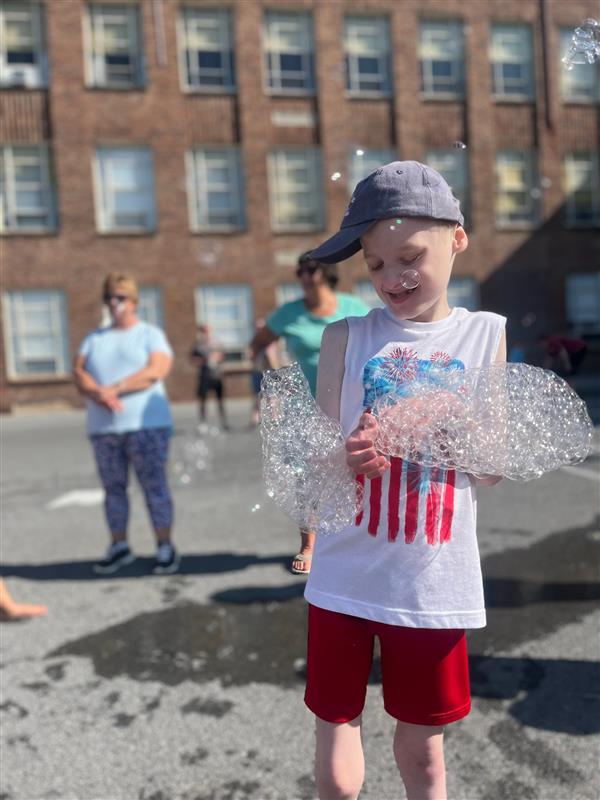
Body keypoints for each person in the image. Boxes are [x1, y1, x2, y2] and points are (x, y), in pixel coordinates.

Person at [302, 161, 507, 800]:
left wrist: (451, 432)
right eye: (376, 265)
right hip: (344, 573)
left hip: (430, 582)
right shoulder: (346, 336)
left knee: (424, 757)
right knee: (337, 746)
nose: (393, 278)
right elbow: (315, 460)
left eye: (410, 257)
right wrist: (347, 455)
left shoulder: (483, 335)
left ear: (458, 239)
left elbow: (493, 466)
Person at [250, 252, 370, 575]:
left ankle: (357, 537)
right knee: (307, 477)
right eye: (300, 270)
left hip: (348, 403)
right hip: (305, 407)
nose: (304, 275)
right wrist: (275, 383)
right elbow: (257, 345)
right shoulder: (289, 313)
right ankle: (309, 545)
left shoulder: (353, 308)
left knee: (353, 469)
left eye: (310, 268)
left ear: (326, 271)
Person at [73, 273, 179, 575]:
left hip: (146, 425)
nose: (114, 303)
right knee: (113, 488)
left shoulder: (149, 334)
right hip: (104, 428)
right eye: (109, 297)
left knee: (154, 487)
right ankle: (119, 545)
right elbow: (78, 372)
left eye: (120, 297)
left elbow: (156, 369)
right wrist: (97, 392)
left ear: (133, 301)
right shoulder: (95, 339)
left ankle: (165, 546)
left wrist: (115, 388)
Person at [191, 324, 228, 430]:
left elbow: (224, 355)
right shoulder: (198, 345)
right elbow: (193, 359)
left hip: (216, 375)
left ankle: (223, 422)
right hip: (204, 376)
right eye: (203, 331)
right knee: (203, 400)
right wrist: (203, 360)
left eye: (207, 331)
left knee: (220, 400)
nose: (206, 333)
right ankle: (203, 423)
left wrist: (217, 357)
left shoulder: (217, 343)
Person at [248, 318, 278, 428]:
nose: (259, 330)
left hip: (269, 373)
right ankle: (255, 420)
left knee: (272, 397)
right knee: (258, 397)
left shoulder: (270, 342)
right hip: (258, 372)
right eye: (257, 327)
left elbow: (274, 358)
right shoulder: (254, 342)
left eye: (261, 327)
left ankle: (273, 419)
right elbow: (251, 358)